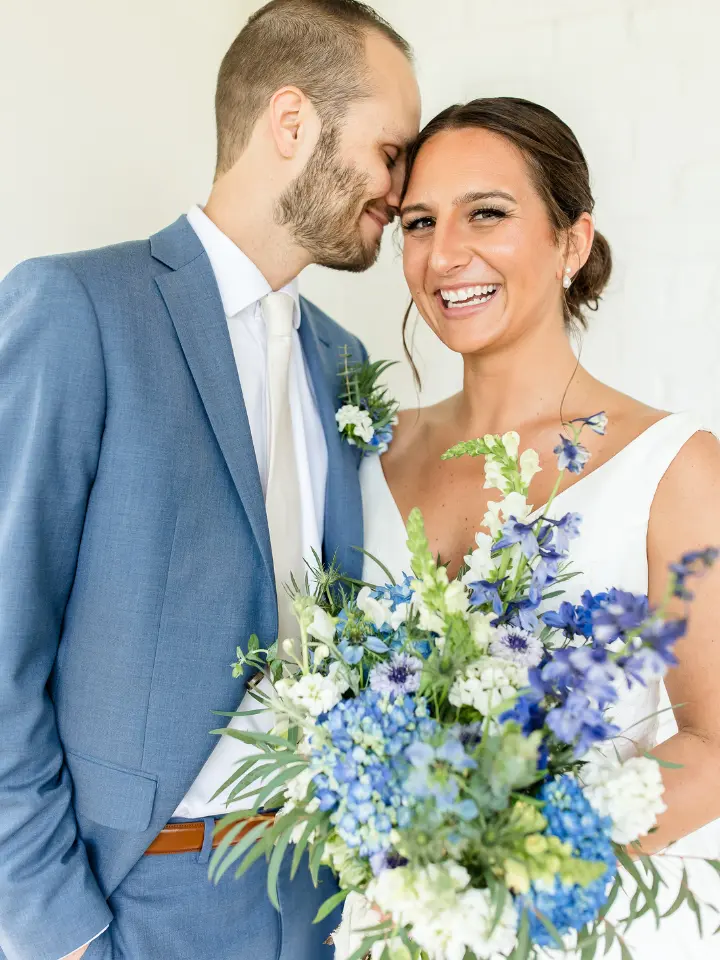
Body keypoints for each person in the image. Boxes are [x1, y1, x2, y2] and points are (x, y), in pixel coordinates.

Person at [0, 1, 420, 958]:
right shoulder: (77, 310)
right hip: (132, 898)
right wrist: (58, 933)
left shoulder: (341, 360)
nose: (399, 190)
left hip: (312, 898)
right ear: (291, 123)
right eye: (390, 152)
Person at [359, 97, 720, 958]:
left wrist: (513, 864)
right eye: (419, 222)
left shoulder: (674, 466)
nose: (446, 254)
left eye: (488, 212)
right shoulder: (367, 454)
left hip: (581, 928)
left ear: (572, 241)